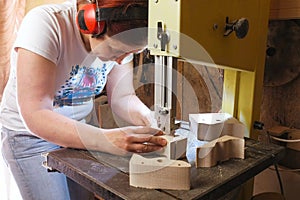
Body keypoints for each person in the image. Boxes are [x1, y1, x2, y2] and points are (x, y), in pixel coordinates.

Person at [0, 0, 167, 199]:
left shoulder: (124, 38)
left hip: (80, 130)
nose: (122, 60)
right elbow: (36, 112)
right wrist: (107, 139)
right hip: (29, 136)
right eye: (116, 50)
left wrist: (147, 117)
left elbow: (123, 97)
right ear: (90, 24)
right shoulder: (46, 24)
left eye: (132, 53)